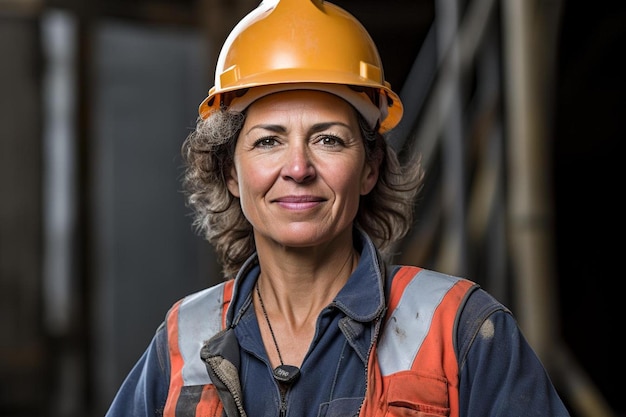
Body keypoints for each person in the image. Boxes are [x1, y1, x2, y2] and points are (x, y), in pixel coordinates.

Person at [105, 0, 571, 416]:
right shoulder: (182, 344)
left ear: (369, 167)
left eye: (328, 139)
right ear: (231, 172)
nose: (298, 168)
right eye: (268, 141)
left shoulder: (460, 330)